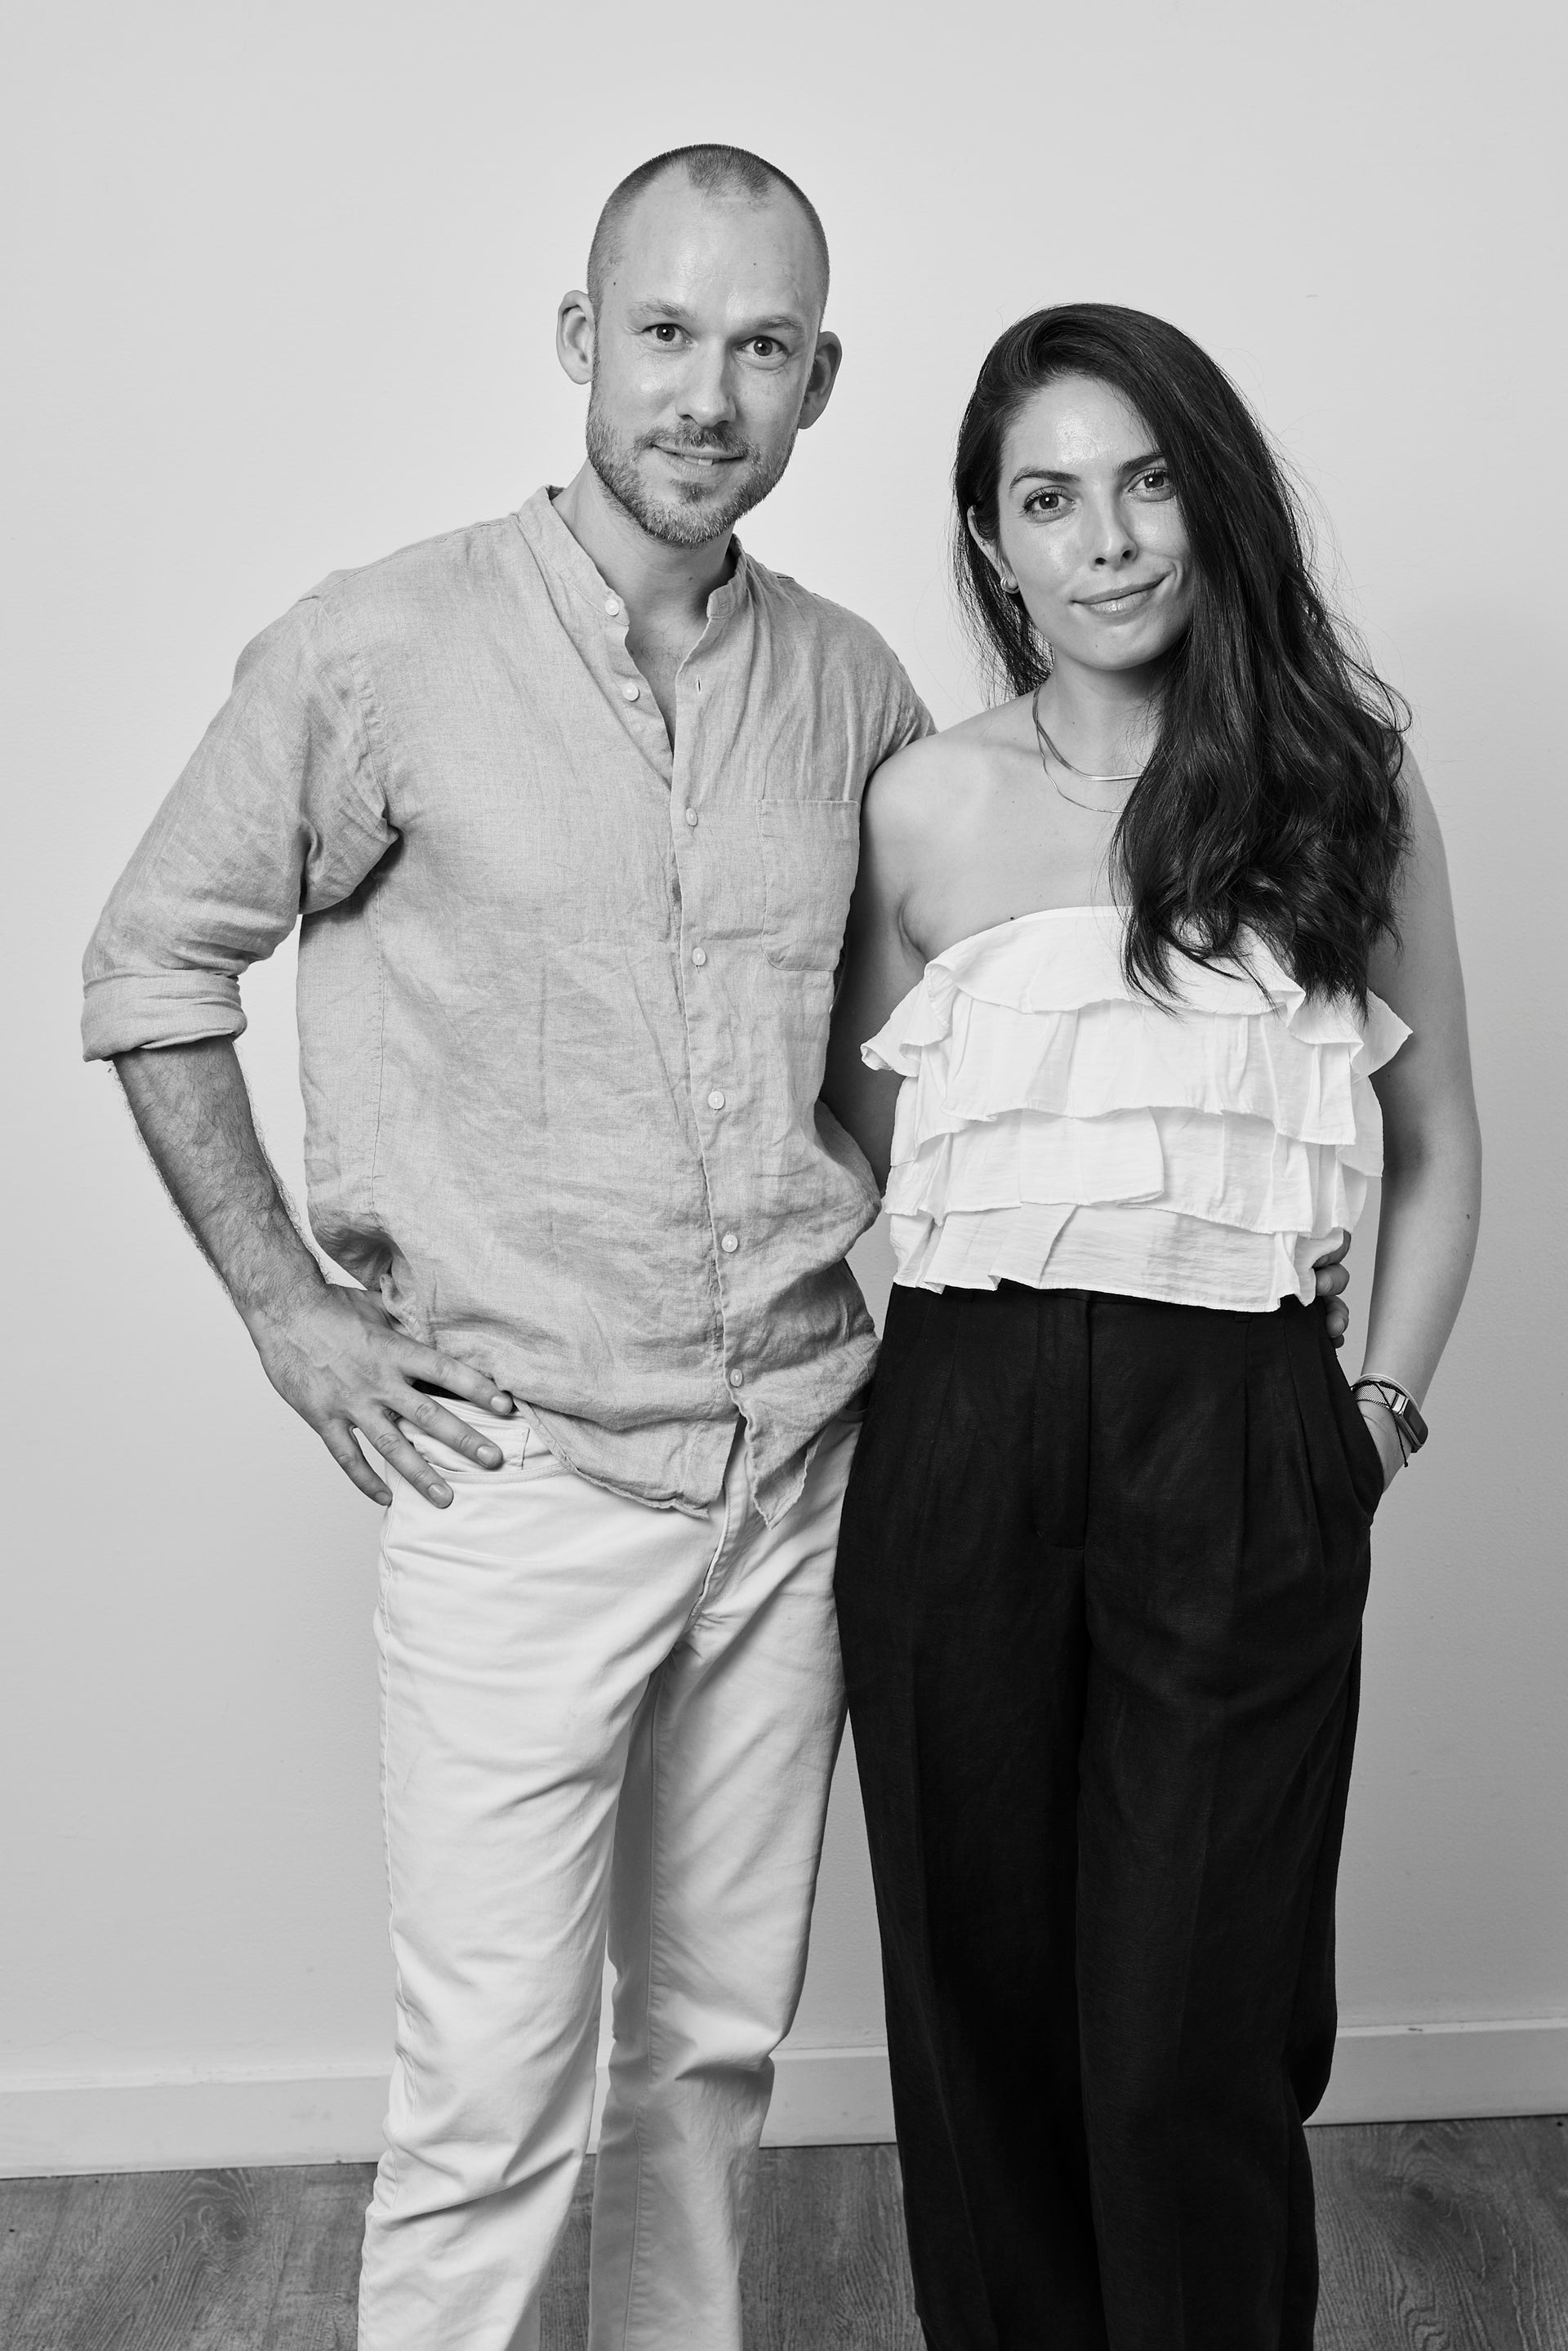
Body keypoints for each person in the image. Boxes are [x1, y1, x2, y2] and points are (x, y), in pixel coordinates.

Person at [80, 142, 933, 2351]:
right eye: (664, 332)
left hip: (795, 1470)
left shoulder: (855, 696)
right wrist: (288, 1305)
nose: (704, 392)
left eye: (760, 347)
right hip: (519, 1473)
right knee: (487, 2098)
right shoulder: (379, 648)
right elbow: (153, 963)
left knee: (711, 2059)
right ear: (580, 342)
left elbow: (898, 1067)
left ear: (820, 378)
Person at [824, 303, 1481, 2351]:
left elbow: (1440, 1145)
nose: (1106, 538)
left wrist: (1365, 1420)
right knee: (980, 2016)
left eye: (1146, 480)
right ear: (991, 543)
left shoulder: (1335, 781)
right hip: (962, 1431)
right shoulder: (920, 808)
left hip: (1248, 1433)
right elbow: (859, 1140)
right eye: (1048, 498)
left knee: (1196, 2030)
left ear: (1211, 499)